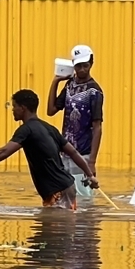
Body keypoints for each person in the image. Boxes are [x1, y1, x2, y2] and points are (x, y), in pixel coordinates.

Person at [0, 89, 98, 209]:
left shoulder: (26, 130)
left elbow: (4, 152)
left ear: (23, 108)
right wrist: (90, 176)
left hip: (58, 190)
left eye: (14, 106)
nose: (13, 110)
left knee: (55, 225)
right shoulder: (50, 128)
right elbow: (74, 152)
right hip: (66, 186)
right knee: (59, 225)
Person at [48, 44, 105, 182]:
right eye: (78, 66)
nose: (82, 69)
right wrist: (56, 81)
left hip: (82, 154)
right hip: (65, 152)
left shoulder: (94, 91)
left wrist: (91, 162)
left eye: (85, 65)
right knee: (65, 197)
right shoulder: (70, 85)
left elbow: (97, 127)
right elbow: (51, 110)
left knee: (83, 199)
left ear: (91, 63)